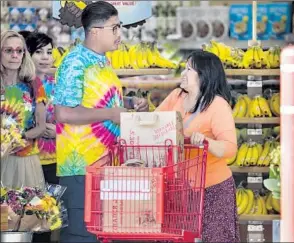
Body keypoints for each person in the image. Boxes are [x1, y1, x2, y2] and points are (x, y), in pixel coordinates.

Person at [52, 2, 148, 242]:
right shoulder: (74, 63)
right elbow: (63, 113)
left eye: (119, 27)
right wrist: (110, 114)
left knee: (102, 235)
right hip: (81, 168)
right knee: (82, 235)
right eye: (114, 28)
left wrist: (128, 103)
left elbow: (98, 100)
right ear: (95, 31)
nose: (119, 34)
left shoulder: (103, 61)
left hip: (107, 165)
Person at [156, 50, 240, 242]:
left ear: (203, 75)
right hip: (177, 189)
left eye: (189, 69)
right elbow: (156, 122)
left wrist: (205, 141)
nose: (183, 73)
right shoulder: (176, 97)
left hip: (212, 189)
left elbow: (229, 148)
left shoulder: (217, 105)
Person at [0, 30, 47, 190]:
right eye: (8, 50)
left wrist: (20, 138)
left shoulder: (34, 85)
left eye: (19, 51)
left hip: (25, 160)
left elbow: (41, 127)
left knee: (27, 211)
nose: (15, 55)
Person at [25, 32, 58, 243]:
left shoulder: (60, 86)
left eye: (49, 52)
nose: (45, 57)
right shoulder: (21, 86)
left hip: (55, 161)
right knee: (20, 218)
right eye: (39, 52)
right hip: (27, 161)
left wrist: (59, 130)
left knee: (46, 224)